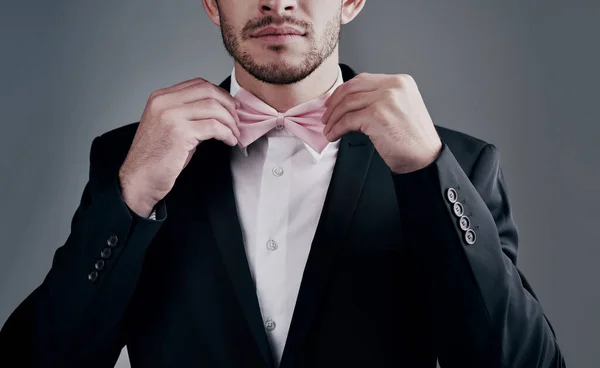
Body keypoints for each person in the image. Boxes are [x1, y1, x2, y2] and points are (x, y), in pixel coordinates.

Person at [0, 0, 565, 367]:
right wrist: (130, 199)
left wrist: (431, 171)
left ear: (350, 1)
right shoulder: (130, 159)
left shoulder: (456, 164)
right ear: (211, 2)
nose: (279, 1)